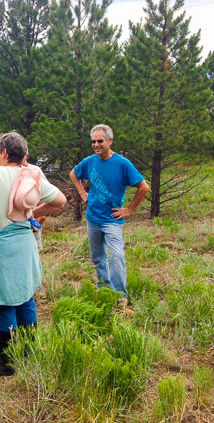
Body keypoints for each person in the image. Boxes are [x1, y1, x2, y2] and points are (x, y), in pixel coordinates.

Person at [0, 132, 66, 376]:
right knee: (25, 296)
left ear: (5, 153)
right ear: (23, 155)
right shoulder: (32, 176)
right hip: (24, 245)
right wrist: (34, 212)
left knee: (2, 300)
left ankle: (7, 364)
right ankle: (28, 354)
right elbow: (60, 202)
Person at [70, 124, 149, 311]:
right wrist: (82, 193)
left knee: (116, 257)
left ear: (110, 141)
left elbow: (143, 187)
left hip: (112, 220)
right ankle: (104, 291)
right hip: (93, 218)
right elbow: (73, 173)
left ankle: (120, 298)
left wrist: (129, 210)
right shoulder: (90, 161)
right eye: (93, 142)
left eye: (100, 141)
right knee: (98, 257)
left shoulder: (123, 164)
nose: (96, 145)